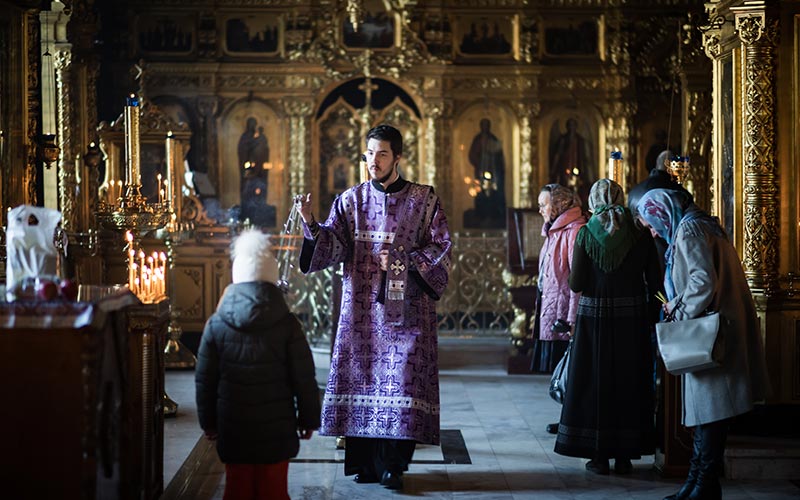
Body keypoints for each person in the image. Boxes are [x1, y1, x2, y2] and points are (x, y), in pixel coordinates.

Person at [294, 124, 452, 491]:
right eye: (368, 154)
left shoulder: (424, 200)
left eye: (381, 154)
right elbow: (332, 245)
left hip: (407, 316)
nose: (373, 161)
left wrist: (402, 261)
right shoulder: (350, 200)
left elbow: (440, 249)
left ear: (397, 157)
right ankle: (367, 464)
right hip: (361, 314)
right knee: (362, 381)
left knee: (403, 384)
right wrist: (310, 224)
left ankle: (393, 466)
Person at [636, 189, 769, 500]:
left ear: (662, 212)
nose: (654, 232)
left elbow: (701, 281)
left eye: (652, 224)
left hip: (708, 335)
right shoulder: (702, 223)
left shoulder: (688, 231)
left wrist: (678, 311)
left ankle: (704, 484)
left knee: (709, 411)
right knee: (708, 412)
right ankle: (697, 482)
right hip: (720, 327)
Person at [195, 229, 321, 500]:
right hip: (277, 430)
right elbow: (304, 377)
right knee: (273, 492)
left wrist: (209, 423)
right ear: (272, 279)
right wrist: (309, 419)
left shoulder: (216, 324)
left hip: (233, 429)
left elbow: (205, 380)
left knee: (237, 491)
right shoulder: (288, 325)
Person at [553, 179, 661, 475]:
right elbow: (655, 282)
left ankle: (599, 456)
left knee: (596, 381)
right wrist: (652, 314)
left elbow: (577, 284)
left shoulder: (587, 233)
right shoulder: (640, 234)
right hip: (632, 319)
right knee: (628, 380)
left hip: (595, 321)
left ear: (594, 200)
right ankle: (625, 456)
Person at [530, 184, 586, 434]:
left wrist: (572, 318)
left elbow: (577, 280)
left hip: (565, 311)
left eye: (544, 204)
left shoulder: (575, 231)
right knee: (562, 366)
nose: (540, 209)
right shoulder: (554, 230)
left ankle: (572, 419)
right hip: (554, 308)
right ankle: (567, 417)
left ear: (560, 204)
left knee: (571, 367)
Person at [466, 118, 506, 228]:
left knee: (492, 194)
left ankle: (493, 216)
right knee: (481, 193)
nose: (485, 127)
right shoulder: (478, 139)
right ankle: (481, 215)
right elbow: (472, 155)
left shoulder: (493, 138)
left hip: (493, 172)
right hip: (481, 171)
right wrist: (479, 161)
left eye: (487, 125)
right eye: (483, 125)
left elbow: (499, 155)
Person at [550, 118, 594, 205]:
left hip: (578, 168)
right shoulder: (563, 140)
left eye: (573, 126)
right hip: (564, 169)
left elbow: (585, 156)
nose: (572, 128)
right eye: (570, 125)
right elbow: (558, 155)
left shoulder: (580, 140)